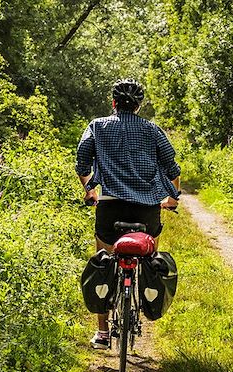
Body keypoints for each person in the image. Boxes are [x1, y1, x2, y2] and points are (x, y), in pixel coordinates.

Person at [76, 78, 181, 349]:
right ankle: (147, 301)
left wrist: (90, 191)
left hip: (110, 207)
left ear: (113, 103)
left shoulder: (97, 126)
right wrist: (171, 199)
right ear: (138, 106)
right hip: (147, 209)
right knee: (150, 258)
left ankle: (101, 332)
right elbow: (171, 167)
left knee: (103, 260)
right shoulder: (152, 129)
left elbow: (82, 161)